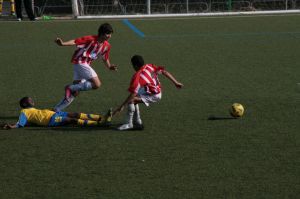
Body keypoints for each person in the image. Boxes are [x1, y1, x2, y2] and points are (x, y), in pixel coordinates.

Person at [54, 23, 118, 112]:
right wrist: (62, 44)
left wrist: (109, 66)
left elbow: (105, 58)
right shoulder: (90, 39)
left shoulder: (107, 46)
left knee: (75, 92)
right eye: (107, 34)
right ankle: (69, 88)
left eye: (110, 34)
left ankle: (57, 109)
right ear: (101, 33)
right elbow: (75, 41)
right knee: (97, 84)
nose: (109, 36)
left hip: (82, 65)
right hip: (80, 62)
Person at [113, 55, 183, 131]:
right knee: (136, 96)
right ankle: (137, 121)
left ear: (135, 66)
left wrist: (122, 106)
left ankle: (129, 124)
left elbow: (132, 94)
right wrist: (176, 82)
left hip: (154, 95)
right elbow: (164, 72)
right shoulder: (150, 66)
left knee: (131, 100)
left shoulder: (138, 76)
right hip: (155, 90)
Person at [3, 97, 112, 130]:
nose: (32, 100)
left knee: (75, 114)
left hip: (53, 114)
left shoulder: (32, 110)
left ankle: (102, 118)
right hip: (51, 120)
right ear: (25, 104)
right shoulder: (24, 111)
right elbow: (20, 123)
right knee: (71, 120)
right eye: (29, 100)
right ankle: (99, 124)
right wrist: (12, 126)